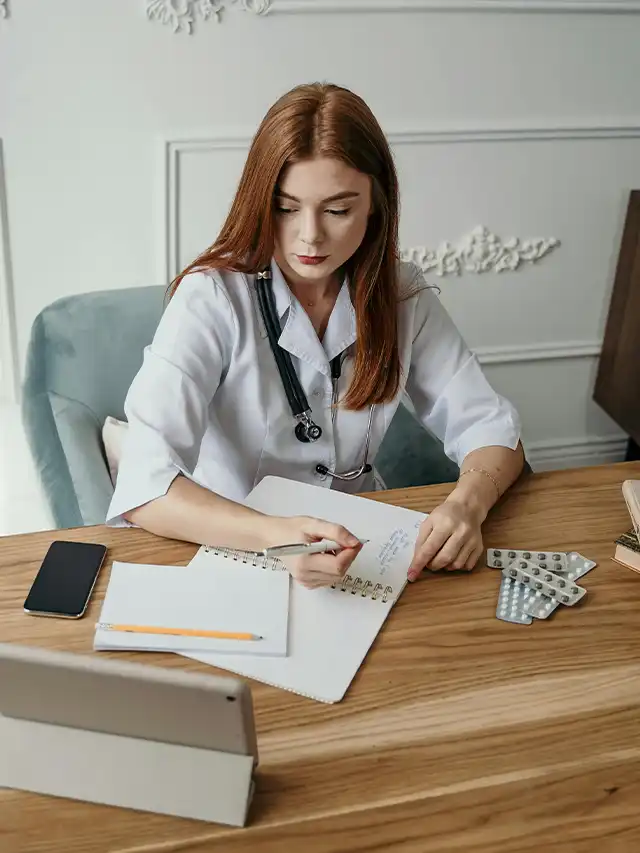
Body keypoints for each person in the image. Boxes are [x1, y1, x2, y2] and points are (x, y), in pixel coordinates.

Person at [106, 82, 524, 589]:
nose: (309, 235)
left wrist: (466, 505)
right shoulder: (211, 299)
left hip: (365, 546)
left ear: (375, 206)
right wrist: (275, 538)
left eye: (337, 210)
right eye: (286, 207)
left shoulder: (401, 294)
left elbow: (492, 430)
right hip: (234, 545)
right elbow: (146, 486)